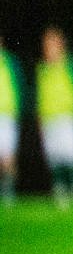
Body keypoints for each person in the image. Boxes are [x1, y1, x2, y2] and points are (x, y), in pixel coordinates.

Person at [37, 26, 73, 208]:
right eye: (47, 44)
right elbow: (39, 96)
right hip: (49, 120)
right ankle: (60, 193)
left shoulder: (71, 65)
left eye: (53, 43)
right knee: (55, 156)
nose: (50, 47)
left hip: (67, 118)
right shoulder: (42, 70)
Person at [0, 33, 23, 206]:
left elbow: (19, 87)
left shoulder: (10, 62)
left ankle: (8, 194)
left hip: (6, 115)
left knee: (7, 157)